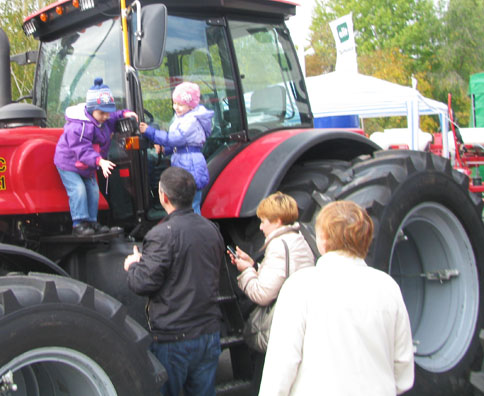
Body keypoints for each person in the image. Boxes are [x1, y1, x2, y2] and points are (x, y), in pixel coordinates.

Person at [259, 201, 415, 396]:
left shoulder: (300, 286)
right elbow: (402, 369)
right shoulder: (389, 288)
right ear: (366, 239)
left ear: (323, 239)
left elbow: (281, 368)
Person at [124, 166, 224, 396]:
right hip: (208, 333)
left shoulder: (161, 234)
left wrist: (134, 264)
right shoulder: (211, 229)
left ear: (163, 197)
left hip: (174, 338)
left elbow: (142, 283)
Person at [227, 192, 315, 352]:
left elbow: (263, 294)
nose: (260, 227)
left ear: (277, 221)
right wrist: (253, 265)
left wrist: (246, 271)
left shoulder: (279, 246)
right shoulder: (297, 238)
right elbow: (283, 276)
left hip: (281, 330)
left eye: (263, 221)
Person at [54, 77, 137, 236]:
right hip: (70, 163)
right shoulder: (79, 126)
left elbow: (114, 116)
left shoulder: (102, 119)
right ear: (92, 109)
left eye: (108, 112)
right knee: (78, 190)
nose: (106, 116)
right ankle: (79, 224)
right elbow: (82, 150)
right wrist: (100, 161)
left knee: (93, 190)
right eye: (102, 113)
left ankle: (92, 223)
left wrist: (125, 113)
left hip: (88, 165)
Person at [139, 81, 213, 214]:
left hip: (191, 165)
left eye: (181, 104)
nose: (176, 107)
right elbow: (181, 145)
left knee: (191, 203)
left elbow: (175, 138)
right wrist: (165, 149)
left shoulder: (191, 120)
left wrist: (150, 132)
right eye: (175, 103)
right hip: (185, 160)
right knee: (185, 203)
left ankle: (194, 230)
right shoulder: (184, 117)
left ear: (191, 106)